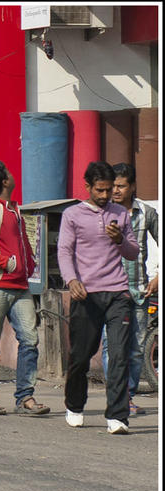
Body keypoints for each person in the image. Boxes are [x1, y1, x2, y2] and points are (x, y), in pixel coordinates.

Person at [57, 161, 139, 434]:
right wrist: (72, 280)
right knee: (80, 356)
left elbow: (132, 253)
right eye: (100, 190)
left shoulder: (121, 214)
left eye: (110, 190)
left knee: (119, 355)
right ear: (88, 187)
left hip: (117, 293)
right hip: (86, 295)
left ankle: (117, 416)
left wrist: (120, 240)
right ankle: (74, 405)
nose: (106, 196)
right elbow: (65, 251)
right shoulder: (72, 215)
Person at [0, 161, 47, 416]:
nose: (14, 176)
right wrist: (6, 262)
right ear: (4, 181)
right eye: (10, 173)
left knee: (30, 340)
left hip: (20, 286)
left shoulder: (14, 209)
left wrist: (29, 263)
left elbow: (21, 242)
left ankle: (25, 397)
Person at [99, 162, 157, 417]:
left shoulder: (147, 213)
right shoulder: (100, 212)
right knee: (112, 347)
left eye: (121, 186)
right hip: (108, 292)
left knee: (135, 349)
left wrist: (158, 276)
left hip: (138, 292)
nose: (115, 191)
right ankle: (117, 398)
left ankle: (128, 397)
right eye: (113, 186)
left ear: (132, 186)